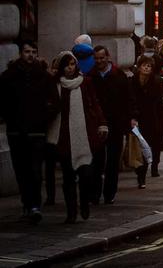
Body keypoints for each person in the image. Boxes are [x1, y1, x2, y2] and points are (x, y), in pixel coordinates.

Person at [0, 41, 59, 223]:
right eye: (27, 52)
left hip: (36, 131)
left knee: (35, 170)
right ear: (21, 53)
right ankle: (27, 203)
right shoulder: (9, 76)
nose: (30, 55)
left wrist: (43, 118)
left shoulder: (43, 76)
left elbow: (55, 102)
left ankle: (35, 205)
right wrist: (8, 117)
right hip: (16, 130)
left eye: (33, 52)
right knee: (21, 170)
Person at [47, 52, 107, 223]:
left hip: (83, 135)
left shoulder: (85, 82)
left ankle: (84, 202)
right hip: (64, 136)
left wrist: (102, 123)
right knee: (68, 178)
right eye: (67, 65)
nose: (70, 68)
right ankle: (71, 212)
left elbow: (94, 104)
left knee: (86, 174)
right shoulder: (56, 84)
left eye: (73, 64)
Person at [89, 45, 135, 205]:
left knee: (113, 162)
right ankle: (94, 194)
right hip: (97, 125)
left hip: (115, 124)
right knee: (96, 161)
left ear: (108, 57)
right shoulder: (91, 76)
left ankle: (109, 193)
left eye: (102, 58)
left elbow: (128, 100)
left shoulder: (119, 75)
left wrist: (128, 120)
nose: (99, 61)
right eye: (96, 58)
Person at [131, 55, 163, 188]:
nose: (147, 68)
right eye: (144, 65)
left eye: (149, 66)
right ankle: (141, 176)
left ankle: (153, 168)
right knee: (140, 148)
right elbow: (129, 100)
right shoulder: (132, 81)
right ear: (139, 67)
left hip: (153, 119)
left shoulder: (157, 82)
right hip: (138, 120)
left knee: (152, 147)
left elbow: (161, 105)